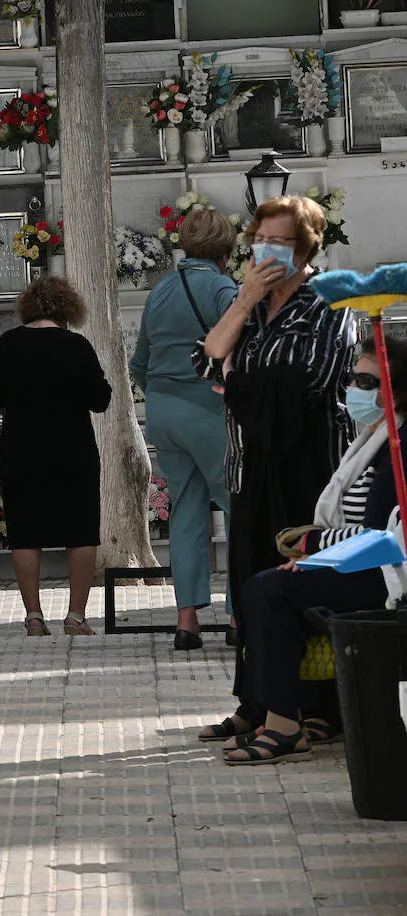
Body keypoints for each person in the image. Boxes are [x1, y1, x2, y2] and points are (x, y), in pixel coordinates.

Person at [199, 195, 356, 728]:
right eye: (260, 240)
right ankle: (259, 702)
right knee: (251, 583)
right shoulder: (252, 304)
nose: (267, 251)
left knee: (304, 583)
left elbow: (311, 380)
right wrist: (243, 304)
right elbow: (206, 362)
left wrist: (238, 381)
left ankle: (318, 710)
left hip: (310, 464)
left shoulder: (330, 301)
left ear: (307, 245)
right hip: (251, 464)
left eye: (280, 242)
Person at [210, 340, 407, 763]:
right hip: (363, 563)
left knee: (269, 590)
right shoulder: (374, 437)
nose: (353, 386)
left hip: (387, 574)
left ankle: (284, 725)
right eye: (353, 377)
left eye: (367, 381)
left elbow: (380, 535)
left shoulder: (397, 444)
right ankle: (285, 711)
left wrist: (313, 547)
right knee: (267, 585)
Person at [130, 208, 239, 650]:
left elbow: (139, 362)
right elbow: (240, 353)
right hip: (209, 412)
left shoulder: (161, 290)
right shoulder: (224, 289)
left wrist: (163, 391)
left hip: (163, 413)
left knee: (187, 511)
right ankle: (239, 617)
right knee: (240, 509)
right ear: (226, 249)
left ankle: (186, 620)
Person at [0, 276, 112, 636]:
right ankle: (75, 616)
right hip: (72, 448)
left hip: (22, 448)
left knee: (26, 532)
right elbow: (100, 399)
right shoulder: (76, 346)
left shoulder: (9, 343)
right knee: (81, 530)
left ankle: (33, 616)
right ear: (68, 308)